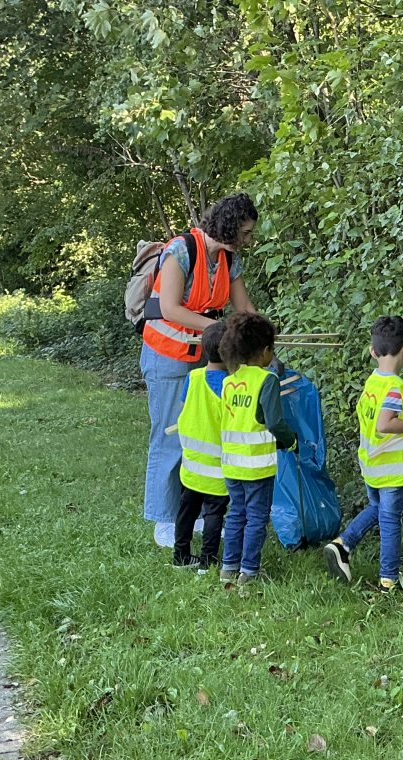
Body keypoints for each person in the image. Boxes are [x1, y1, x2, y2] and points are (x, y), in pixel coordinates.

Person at [140, 193, 259, 548]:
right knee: (169, 437)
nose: (250, 240)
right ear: (230, 227)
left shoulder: (228, 258)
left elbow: (244, 308)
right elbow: (170, 309)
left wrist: (261, 334)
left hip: (203, 357)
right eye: (247, 233)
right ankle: (163, 519)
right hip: (167, 356)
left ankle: (194, 514)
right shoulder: (179, 251)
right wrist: (217, 330)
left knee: (204, 436)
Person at [323, 316, 403, 592]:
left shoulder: (378, 381)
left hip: (372, 465)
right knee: (390, 521)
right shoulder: (393, 386)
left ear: (373, 351)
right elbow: (385, 423)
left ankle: (342, 545)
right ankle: (388, 581)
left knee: (377, 509)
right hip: (391, 469)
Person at [217, 313, 296, 585]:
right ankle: (249, 572)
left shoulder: (229, 381)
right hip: (257, 466)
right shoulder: (267, 380)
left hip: (231, 463)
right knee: (257, 518)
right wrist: (291, 441)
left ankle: (228, 567)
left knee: (236, 513)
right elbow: (274, 421)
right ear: (265, 351)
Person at [173, 321, 229, 572]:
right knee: (214, 514)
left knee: (187, 511)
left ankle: (181, 555)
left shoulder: (193, 377)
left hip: (191, 464)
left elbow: (188, 409)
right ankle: (208, 561)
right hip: (217, 468)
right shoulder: (231, 385)